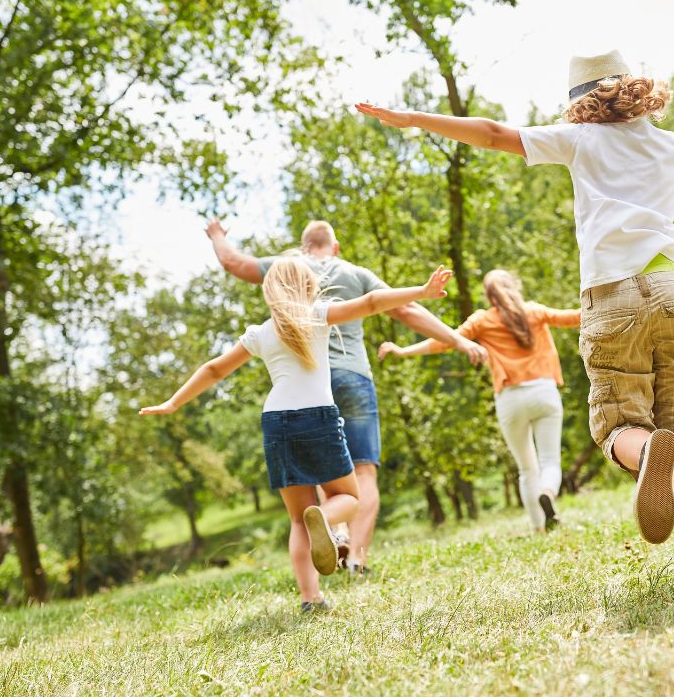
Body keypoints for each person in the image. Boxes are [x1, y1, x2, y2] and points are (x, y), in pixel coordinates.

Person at [355, 49, 674, 586]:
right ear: (634, 90)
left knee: (617, 424)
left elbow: (494, 133)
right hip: (672, 291)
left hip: (612, 297)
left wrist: (414, 119)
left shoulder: (580, 141)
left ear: (580, 103)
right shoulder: (670, 144)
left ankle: (644, 452)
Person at [139, 258, 454, 611]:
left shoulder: (259, 333)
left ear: (270, 291)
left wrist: (173, 401)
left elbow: (214, 369)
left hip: (276, 422)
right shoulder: (317, 315)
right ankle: (326, 518)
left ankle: (310, 598)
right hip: (317, 417)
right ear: (308, 287)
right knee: (349, 497)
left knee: (296, 519)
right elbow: (371, 303)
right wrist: (422, 292)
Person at [205, 218, 486, 576]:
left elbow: (234, 263)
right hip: (353, 377)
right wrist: (458, 339)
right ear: (335, 247)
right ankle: (357, 558)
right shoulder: (355, 272)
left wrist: (217, 236)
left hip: (306, 386)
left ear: (303, 246)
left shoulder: (286, 268)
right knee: (363, 473)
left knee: (327, 472)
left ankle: (335, 532)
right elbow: (404, 309)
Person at [378, 269, 581, 532]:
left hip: (510, 399)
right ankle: (548, 492)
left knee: (526, 468)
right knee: (549, 462)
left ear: (488, 296)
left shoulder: (482, 320)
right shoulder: (535, 312)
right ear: (514, 287)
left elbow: (446, 340)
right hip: (544, 392)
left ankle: (538, 528)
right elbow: (575, 317)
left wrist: (404, 350)